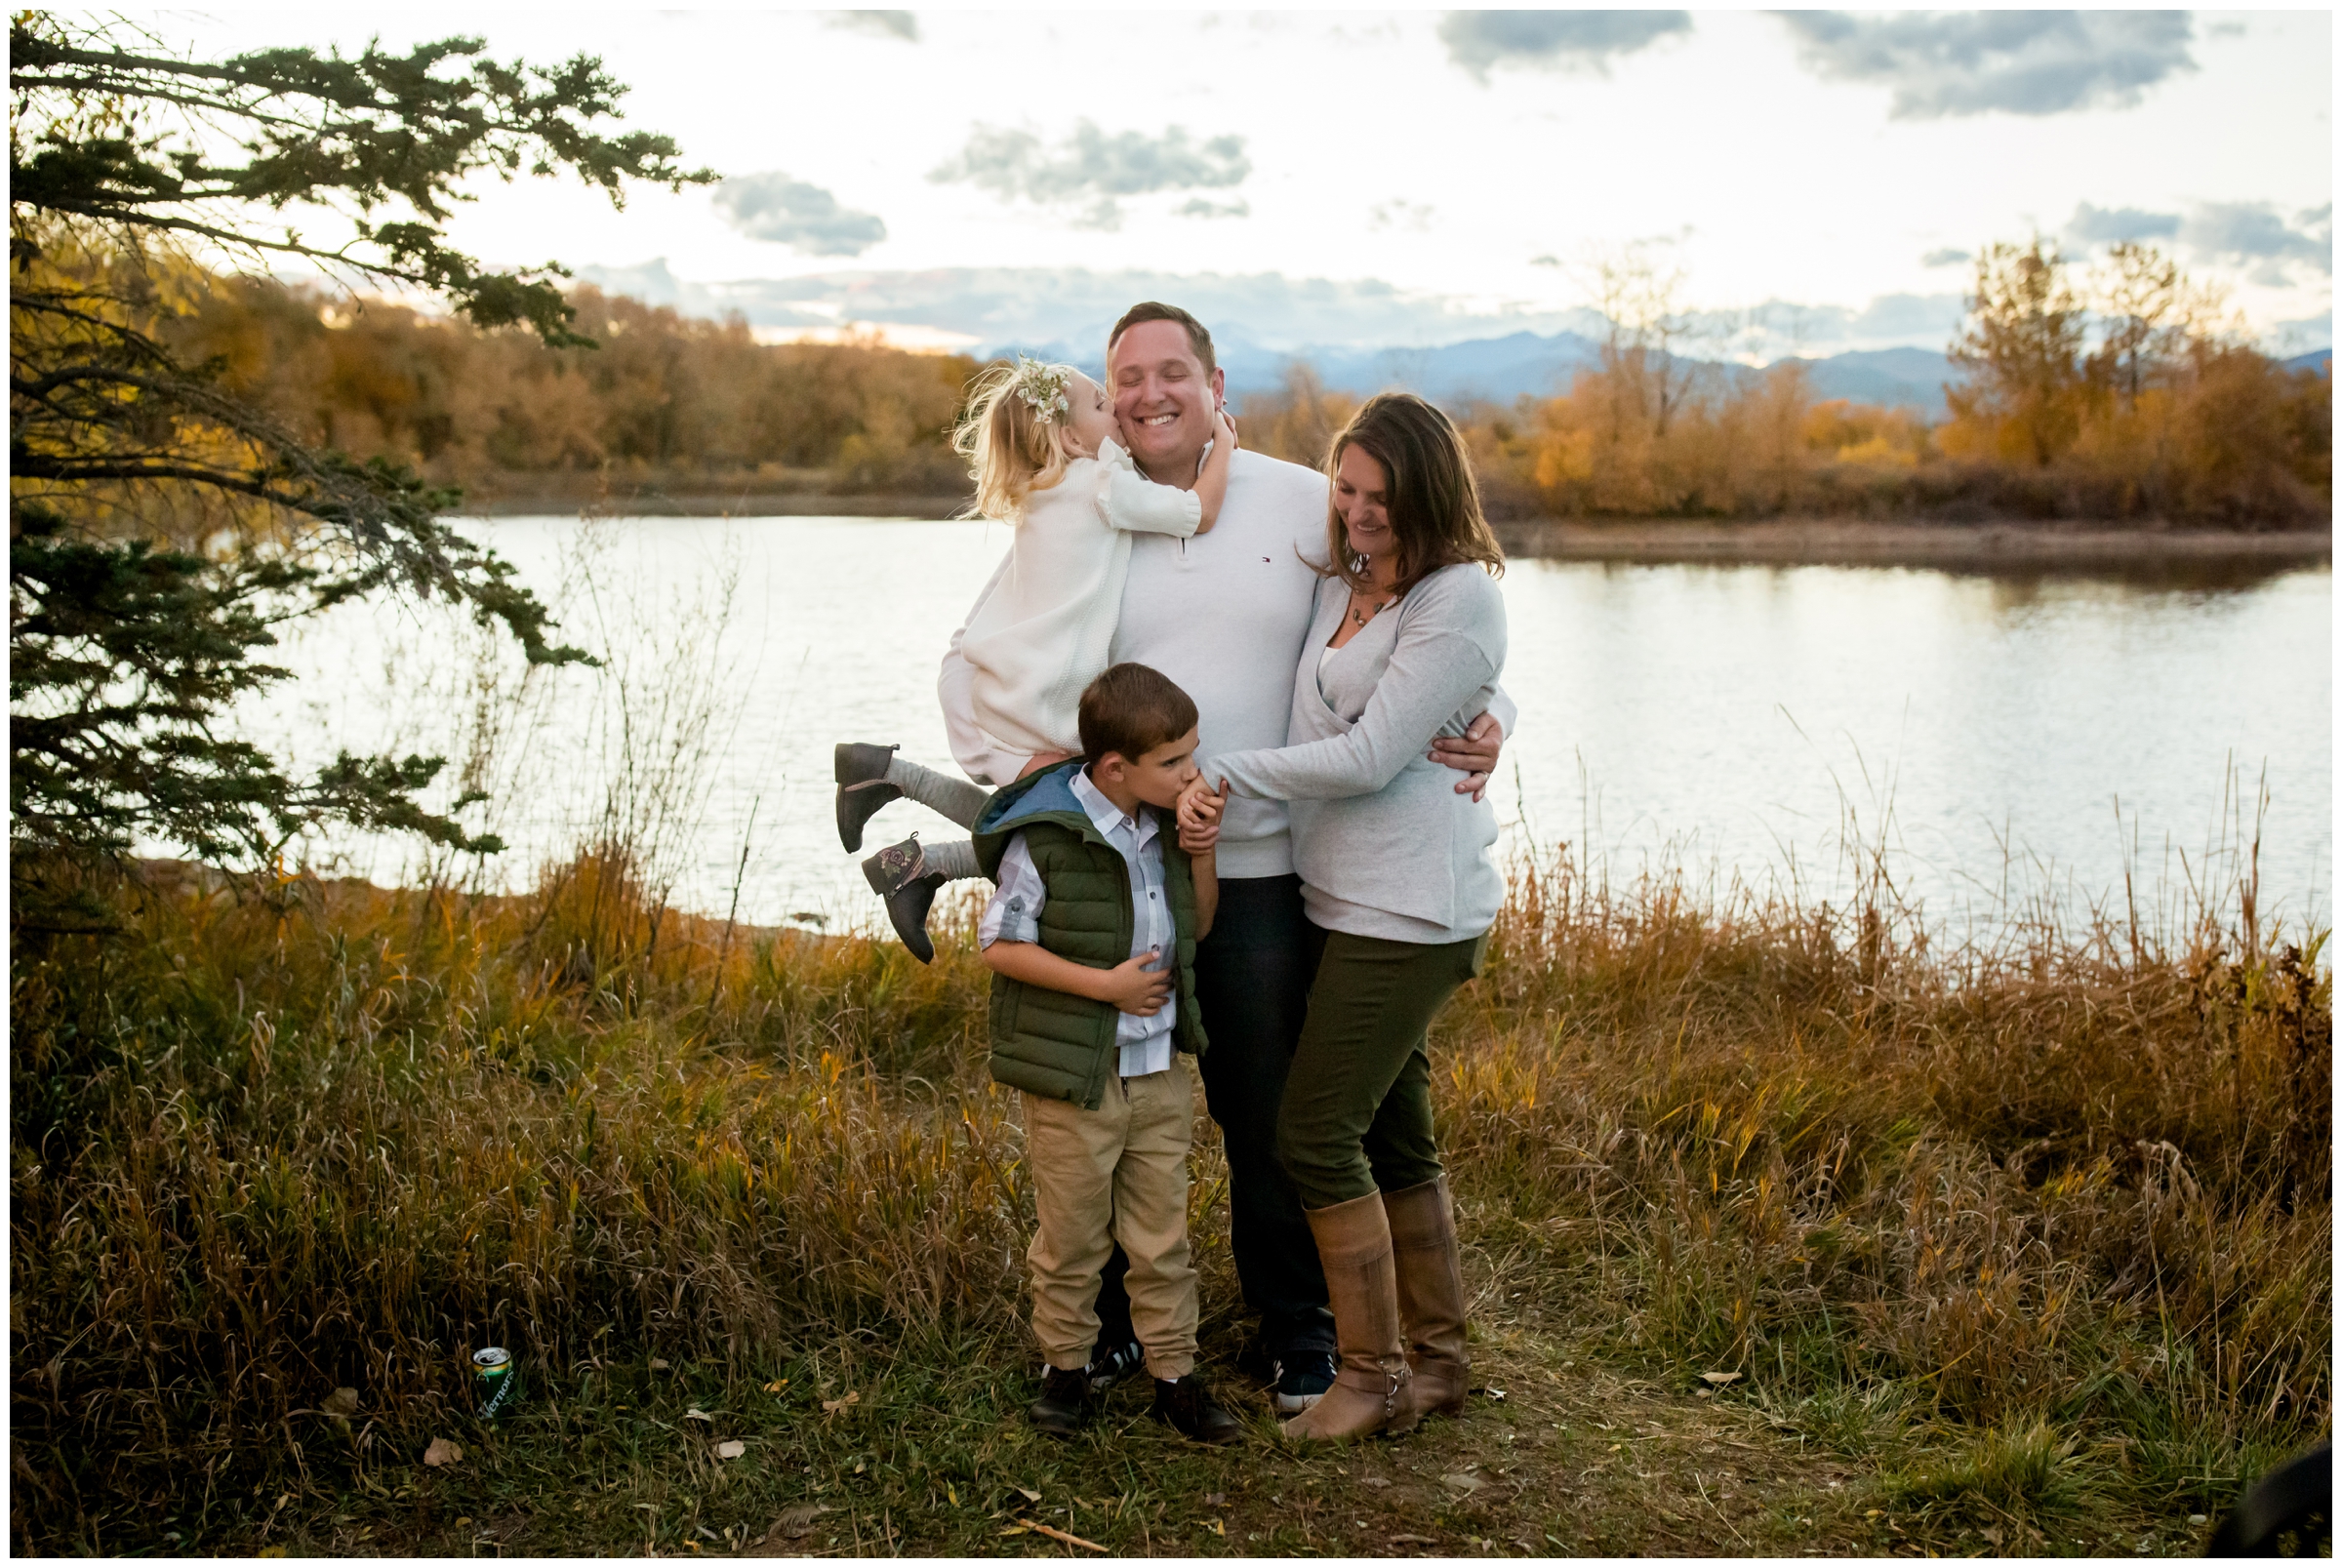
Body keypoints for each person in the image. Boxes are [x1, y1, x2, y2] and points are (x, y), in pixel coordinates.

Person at [938, 305, 1514, 1421]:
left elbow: (1416, 618)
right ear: (1105, 398)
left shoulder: (1302, 496)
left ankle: (1300, 1328)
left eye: (1171, 373)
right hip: (1119, 869)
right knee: (1105, 1096)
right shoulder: (1079, 504)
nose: (1149, 394)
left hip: (1263, 868)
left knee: (1268, 1112)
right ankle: (1102, 1332)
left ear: (1212, 381)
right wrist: (1019, 777)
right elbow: (980, 656)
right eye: (1126, 378)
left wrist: (1494, 718)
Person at [1180, 391, 1507, 1441]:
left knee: (1314, 1130)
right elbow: (1414, 700)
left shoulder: (1458, 596)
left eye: (1382, 496)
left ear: (1431, 492)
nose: (1359, 511)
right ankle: (1440, 1367)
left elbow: (1371, 755)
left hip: (1410, 906)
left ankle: (1366, 1376)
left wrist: (1219, 771)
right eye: (1348, 489)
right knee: (1395, 1137)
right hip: (1343, 898)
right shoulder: (1349, 574)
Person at [834, 354, 1238, 961]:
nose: (1117, 411)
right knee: (1073, 824)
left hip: (1018, 685)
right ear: (1074, 438)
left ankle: (900, 823)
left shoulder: (1046, 493)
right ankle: (907, 833)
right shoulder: (1099, 484)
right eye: (1103, 405)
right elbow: (1194, 512)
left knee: (1054, 817)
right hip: (1044, 700)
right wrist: (1224, 446)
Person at [970, 661, 1242, 1445]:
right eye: (1175, 762)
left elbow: (1197, 928)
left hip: (1157, 1070)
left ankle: (1175, 1377)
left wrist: (1202, 850)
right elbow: (999, 943)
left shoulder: (1162, 830)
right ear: (1118, 767)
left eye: (1194, 755)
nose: (1193, 773)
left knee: (1162, 1235)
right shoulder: (1049, 835)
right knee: (1074, 1237)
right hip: (1076, 1082)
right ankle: (1065, 1370)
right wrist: (1106, 987)